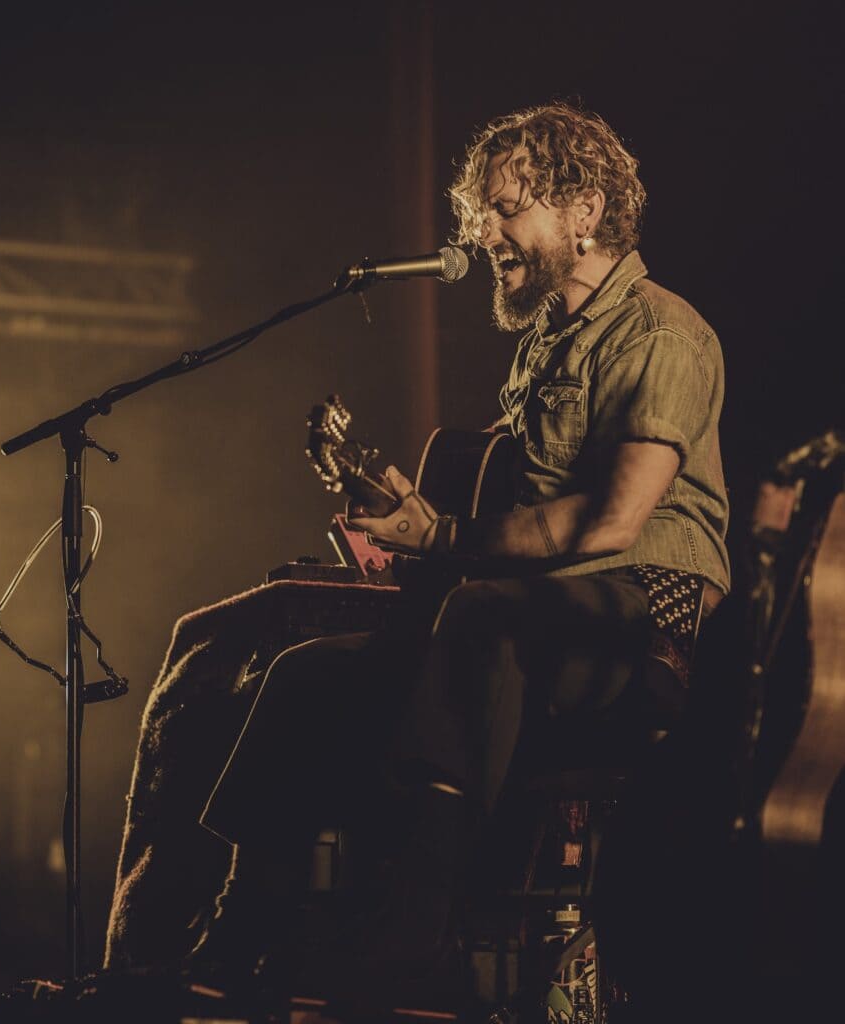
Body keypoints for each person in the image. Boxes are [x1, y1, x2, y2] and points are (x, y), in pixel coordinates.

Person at [182, 103, 731, 1013]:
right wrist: (411, 524)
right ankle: (239, 934)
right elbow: (496, 523)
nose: (485, 235)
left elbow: (610, 522)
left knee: (476, 618)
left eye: (507, 209)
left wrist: (444, 540)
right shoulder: (542, 344)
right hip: (524, 622)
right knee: (305, 674)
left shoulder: (660, 333)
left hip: (640, 623)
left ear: (584, 210)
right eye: (482, 214)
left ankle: (416, 931)